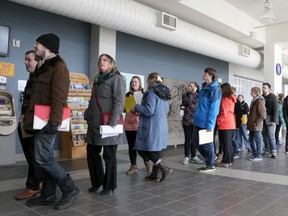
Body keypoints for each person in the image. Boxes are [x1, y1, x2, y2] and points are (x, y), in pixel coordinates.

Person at [24, 33, 82, 210]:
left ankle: (70, 188)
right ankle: (48, 193)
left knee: (43, 158)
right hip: (38, 120)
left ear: (47, 46)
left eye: (38, 44)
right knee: (43, 156)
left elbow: (59, 97)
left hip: (48, 121)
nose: (35, 46)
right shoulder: (44, 66)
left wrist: (54, 122)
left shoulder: (59, 66)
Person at [85, 54, 125, 195]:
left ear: (111, 64)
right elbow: (92, 100)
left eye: (105, 60)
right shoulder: (97, 80)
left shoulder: (117, 78)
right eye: (100, 60)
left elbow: (119, 101)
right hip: (94, 123)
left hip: (109, 124)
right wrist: (87, 114)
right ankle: (97, 182)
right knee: (91, 152)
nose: (101, 62)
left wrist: (113, 121)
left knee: (109, 155)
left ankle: (109, 186)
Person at [133, 72, 173, 182]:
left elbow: (149, 111)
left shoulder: (151, 93)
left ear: (150, 80)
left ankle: (164, 169)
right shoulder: (164, 93)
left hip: (151, 125)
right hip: (161, 125)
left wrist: (137, 107)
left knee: (147, 149)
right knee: (156, 149)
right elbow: (167, 110)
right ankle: (155, 173)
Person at [15, 50, 41, 200]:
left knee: (32, 155)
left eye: (28, 60)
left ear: (37, 61)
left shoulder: (38, 77)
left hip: (32, 121)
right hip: (27, 119)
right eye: (25, 59)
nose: (26, 62)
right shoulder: (32, 76)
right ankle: (39, 181)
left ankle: (33, 185)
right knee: (33, 154)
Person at [192, 67, 222, 172]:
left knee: (207, 143)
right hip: (198, 120)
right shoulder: (204, 87)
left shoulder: (215, 89)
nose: (203, 74)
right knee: (195, 141)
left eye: (204, 73)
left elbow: (214, 109)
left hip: (206, 122)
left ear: (210, 75)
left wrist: (210, 124)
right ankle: (211, 157)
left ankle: (210, 164)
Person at [124, 76, 152, 175]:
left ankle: (147, 161)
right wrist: (125, 107)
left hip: (138, 124)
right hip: (128, 124)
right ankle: (133, 166)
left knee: (139, 147)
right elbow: (125, 108)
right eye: (132, 82)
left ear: (139, 83)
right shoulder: (127, 95)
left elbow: (146, 109)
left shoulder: (144, 94)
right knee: (131, 147)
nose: (133, 83)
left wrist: (136, 109)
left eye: (135, 82)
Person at [181, 81, 203, 165]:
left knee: (194, 140)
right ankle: (187, 156)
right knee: (188, 139)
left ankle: (194, 156)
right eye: (189, 86)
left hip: (196, 121)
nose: (189, 87)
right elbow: (187, 102)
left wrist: (196, 93)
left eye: (191, 86)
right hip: (187, 121)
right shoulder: (185, 95)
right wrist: (191, 93)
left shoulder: (199, 96)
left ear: (196, 87)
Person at [216, 83, 236, 167]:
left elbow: (224, 113)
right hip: (231, 123)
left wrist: (218, 122)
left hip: (225, 124)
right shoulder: (231, 98)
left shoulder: (225, 99)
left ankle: (226, 162)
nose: (220, 90)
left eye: (221, 89)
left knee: (225, 144)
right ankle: (230, 160)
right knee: (229, 144)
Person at [247, 87, 266, 161]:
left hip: (256, 125)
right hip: (252, 125)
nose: (250, 92)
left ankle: (258, 155)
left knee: (258, 140)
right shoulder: (254, 100)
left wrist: (256, 123)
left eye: (252, 91)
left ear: (256, 93)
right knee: (251, 139)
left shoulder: (259, 101)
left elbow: (263, 115)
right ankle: (254, 154)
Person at [262, 83, 278, 158]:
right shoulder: (261, 97)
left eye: (265, 88)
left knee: (271, 136)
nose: (263, 89)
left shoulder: (273, 97)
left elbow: (275, 109)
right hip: (263, 119)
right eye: (263, 87)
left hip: (270, 118)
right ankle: (267, 150)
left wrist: (274, 120)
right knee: (264, 136)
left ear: (269, 89)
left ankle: (273, 151)